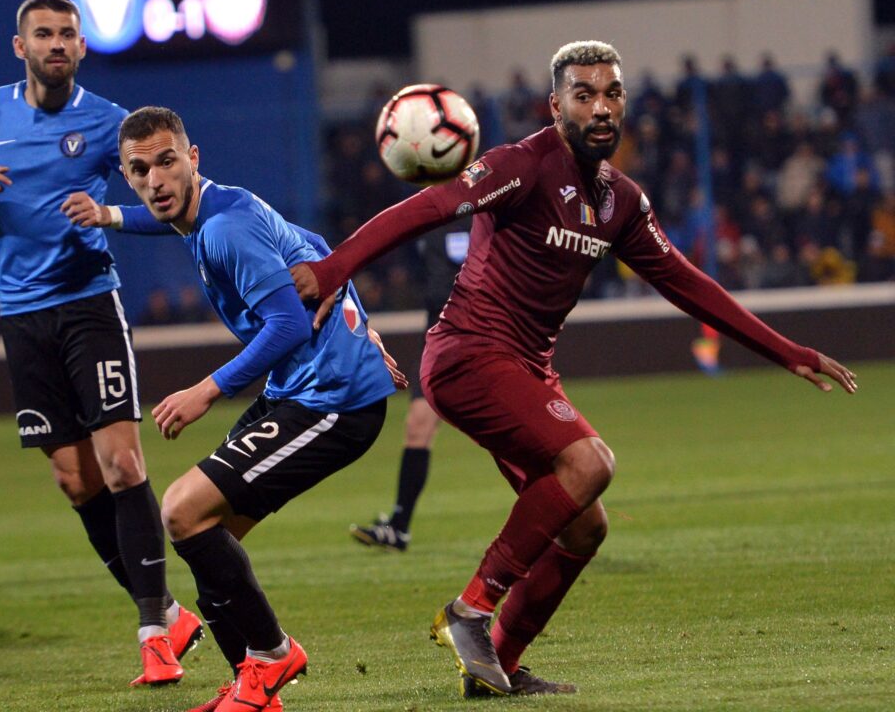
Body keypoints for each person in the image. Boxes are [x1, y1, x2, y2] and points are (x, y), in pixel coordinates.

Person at [290, 41, 857, 696]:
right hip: (470, 353)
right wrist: (335, 268)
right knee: (591, 464)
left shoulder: (620, 200)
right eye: (583, 94)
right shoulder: (523, 166)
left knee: (586, 524)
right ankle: (471, 609)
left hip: (526, 369)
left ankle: (495, 665)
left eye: (611, 93)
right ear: (556, 105)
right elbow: (429, 208)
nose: (600, 107)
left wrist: (785, 350)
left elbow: (686, 283)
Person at [64, 106, 404, 712]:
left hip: (333, 400)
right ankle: (254, 690)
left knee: (182, 511)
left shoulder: (225, 231)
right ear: (127, 174)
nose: (156, 181)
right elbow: (320, 249)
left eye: (168, 162)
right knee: (206, 539)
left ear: (193, 159)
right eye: (139, 171)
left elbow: (288, 326)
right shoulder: (214, 207)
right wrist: (111, 216)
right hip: (301, 390)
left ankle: (272, 657)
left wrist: (207, 390)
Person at [0, 0, 200, 685]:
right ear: (19, 47)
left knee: (123, 466)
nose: (55, 44)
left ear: (82, 46)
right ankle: (168, 610)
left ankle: (151, 637)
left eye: (67, 34)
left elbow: (166, 202)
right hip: (22, 317)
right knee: (74, 480)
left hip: (89, 307)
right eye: (42, 34)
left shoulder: (110, 124)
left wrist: (108, 211)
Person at [349, 216, 470, 552]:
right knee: (418, 426)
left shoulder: (484, 211)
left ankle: (560, 507)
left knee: (508, 434)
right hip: (438, 336)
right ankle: (399, 527)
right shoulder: (430, 215)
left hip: (478, 333)